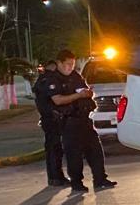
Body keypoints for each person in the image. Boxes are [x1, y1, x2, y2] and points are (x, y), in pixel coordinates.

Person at [42, 50, 117, 195]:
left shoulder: (75, 76)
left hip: (84, 119)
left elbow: (86, 90)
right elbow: (57, 100)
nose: (70, 67)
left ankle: (100, 179)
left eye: (72, 64)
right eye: (68, 64)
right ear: (59, 63)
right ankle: (76, 183)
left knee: (95, 150)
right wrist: (78, 95)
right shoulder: (53, 79)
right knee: (74, 154)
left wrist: (88, 93)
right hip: (68, 121)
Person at [33, 60, 69, 186]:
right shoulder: (50, 80)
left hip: (47, 118)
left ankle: (55, 177)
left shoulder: (42, 79)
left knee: (52, 148)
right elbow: (55, 100)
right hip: (52, 118)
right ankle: (56, 177)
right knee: (55, 148)